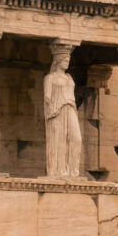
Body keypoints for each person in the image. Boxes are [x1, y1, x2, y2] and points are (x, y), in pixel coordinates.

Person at [44, 45, 81, 178]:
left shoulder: (69, 78)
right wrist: (52, 111)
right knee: (59, 139)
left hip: (70, 108)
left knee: (76, 138)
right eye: (65, 59)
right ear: (58, 60)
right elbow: (47, 98)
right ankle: (58, 171)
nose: (67, 62)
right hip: (57, 110)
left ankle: (73, 171)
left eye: (68, 59)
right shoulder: (50, 78)